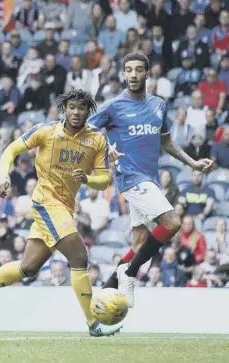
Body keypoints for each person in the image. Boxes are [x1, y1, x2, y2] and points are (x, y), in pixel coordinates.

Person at [0, 90, 121, 337]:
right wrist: (3, 174)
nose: (76, 112)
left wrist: (87, 178)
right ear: (64, 109)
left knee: (28, 267)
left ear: (89, 111)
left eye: (82, 108)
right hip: (45, 202)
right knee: (78, 256)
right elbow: (11, 149)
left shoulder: (97, 140)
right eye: (72, 107)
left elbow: (104, 181)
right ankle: (93, 324)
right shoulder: (46, 131)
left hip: (65, 207)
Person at [89, 52, 213, 307]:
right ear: (123, 74)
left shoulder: (158, 104)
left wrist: (192, 163)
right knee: (172, 223)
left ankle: (100, 299)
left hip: (150, 180)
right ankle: (130, 273)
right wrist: (104, 151)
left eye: (138, 70)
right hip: (130, 178)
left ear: (148, 74)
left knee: (139, 246)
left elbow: (166, 140)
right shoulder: (113, 106)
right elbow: (84, 134)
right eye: (128, 70)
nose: (133, 75)